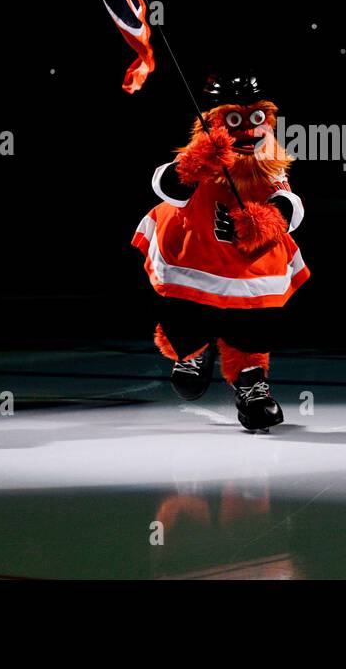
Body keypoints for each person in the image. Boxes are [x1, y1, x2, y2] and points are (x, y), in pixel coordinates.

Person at [131, 75, 308, 430]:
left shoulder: (266, 164)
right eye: (234, 120)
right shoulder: (201, 157)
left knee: (251, 325)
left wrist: (263, 223)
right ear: (213, 121)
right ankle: (191, 352)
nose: (247, 130)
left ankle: (250, 381)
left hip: (248, 263)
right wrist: (195, 165)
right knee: (185, 314)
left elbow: (289, 203)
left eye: (255, 118)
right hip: (194, 255)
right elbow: (167, 187)